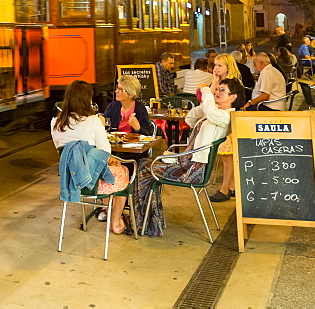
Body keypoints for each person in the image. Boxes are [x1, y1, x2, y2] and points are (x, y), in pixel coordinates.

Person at [135, 78, 245, 216]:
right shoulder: (214, 112)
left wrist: (206, 92)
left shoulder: (226, 116)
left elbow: (212, 113)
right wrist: (204, 103)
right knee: (142, 164)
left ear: (233, 97)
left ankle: (144, 216)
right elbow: (190, 120)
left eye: (222, 90)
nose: (217, 92)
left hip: (194, 169)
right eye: (217, 89)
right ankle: (147, 214)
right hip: (187, 162)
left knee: (143, 169)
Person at [52, 80, 131, 234]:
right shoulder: (93, 120)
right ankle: (115, 221)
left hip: (70, 180)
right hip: (92, 182)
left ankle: (106, 208)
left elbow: (62, 150)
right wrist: (100, 126)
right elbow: (105, 151)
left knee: (106, 169)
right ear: (87, 99)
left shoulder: (55, 123)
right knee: (123, 172)